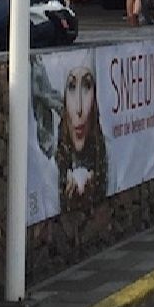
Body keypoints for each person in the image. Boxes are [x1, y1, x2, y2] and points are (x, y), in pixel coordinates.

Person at [57, 60, 108, 207]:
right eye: (72, 87)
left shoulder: (108, 159)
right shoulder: (49, 169)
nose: (79, 108)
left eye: (87, 86)